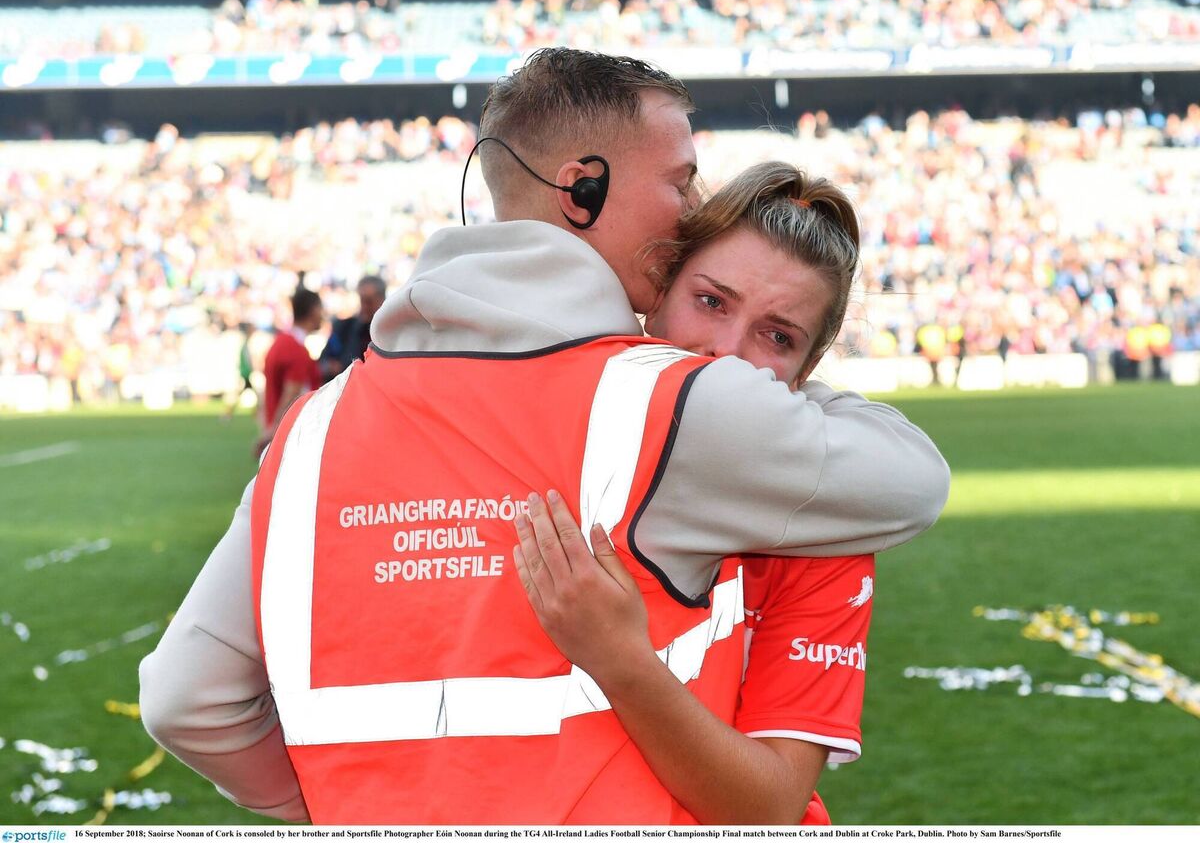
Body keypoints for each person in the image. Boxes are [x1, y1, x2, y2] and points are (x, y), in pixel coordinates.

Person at [139, 49, 949, 824]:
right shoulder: (674, 405)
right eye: (678, 179)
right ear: (582, 189)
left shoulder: (312, 427)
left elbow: (184, 697)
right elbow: (915, 481)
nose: (692, 206)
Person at [512, 163, 874, 824]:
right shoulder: (557, 440)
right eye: (711, 301)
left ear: (806, 370)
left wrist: (621, 661)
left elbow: (766, 806)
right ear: (657, 292)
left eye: (777, 336)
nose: (725, 354)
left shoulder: (825, 525)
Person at [256, 288, 323, 458]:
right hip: (293, 436)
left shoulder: (280, 342)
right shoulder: (295, 349)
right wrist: (272, 432)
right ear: (313, 310)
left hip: (281, 433)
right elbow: (292, 394)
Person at [318, 275, 387, 383]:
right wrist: (332, 367)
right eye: (362, 300)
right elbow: (322, 363)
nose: (365, 307)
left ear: (382, 300)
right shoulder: (343, 328)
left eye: (369, 301)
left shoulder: (391, 332)